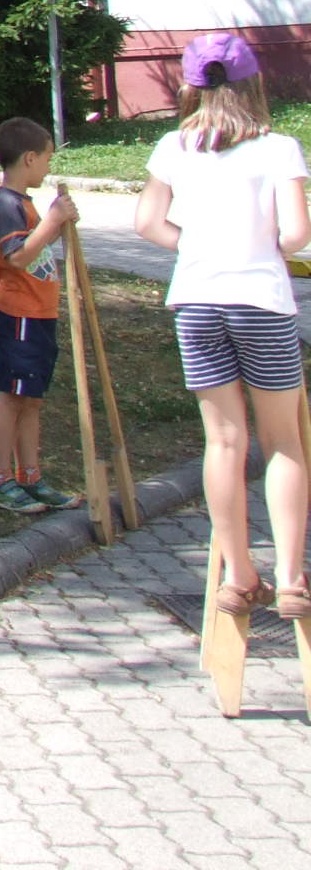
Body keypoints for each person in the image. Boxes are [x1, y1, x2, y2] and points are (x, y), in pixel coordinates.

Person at [132, 32, 311, 622]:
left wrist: (196, 247)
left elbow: (147, 223)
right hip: (261, 302)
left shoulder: (173, 146)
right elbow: (295, 235)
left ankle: (237, 574)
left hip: (198, 301)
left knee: (224, 442)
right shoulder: (278, 148)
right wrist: (261, 248)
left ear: (191, 87)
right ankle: (291, 578)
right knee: (282, 441)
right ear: (253, 82)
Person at [0, 116, 86, 514]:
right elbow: (18, 256)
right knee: (12, 397)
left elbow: (35, 246)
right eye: (46, 158)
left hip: (40, 314)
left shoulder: (23, 203)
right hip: (17, 315)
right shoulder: (7, 204)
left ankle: (30, 476)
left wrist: (58, 226)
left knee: (32, 400)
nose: (48, 166)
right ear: (29, 158)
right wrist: (53, 220)